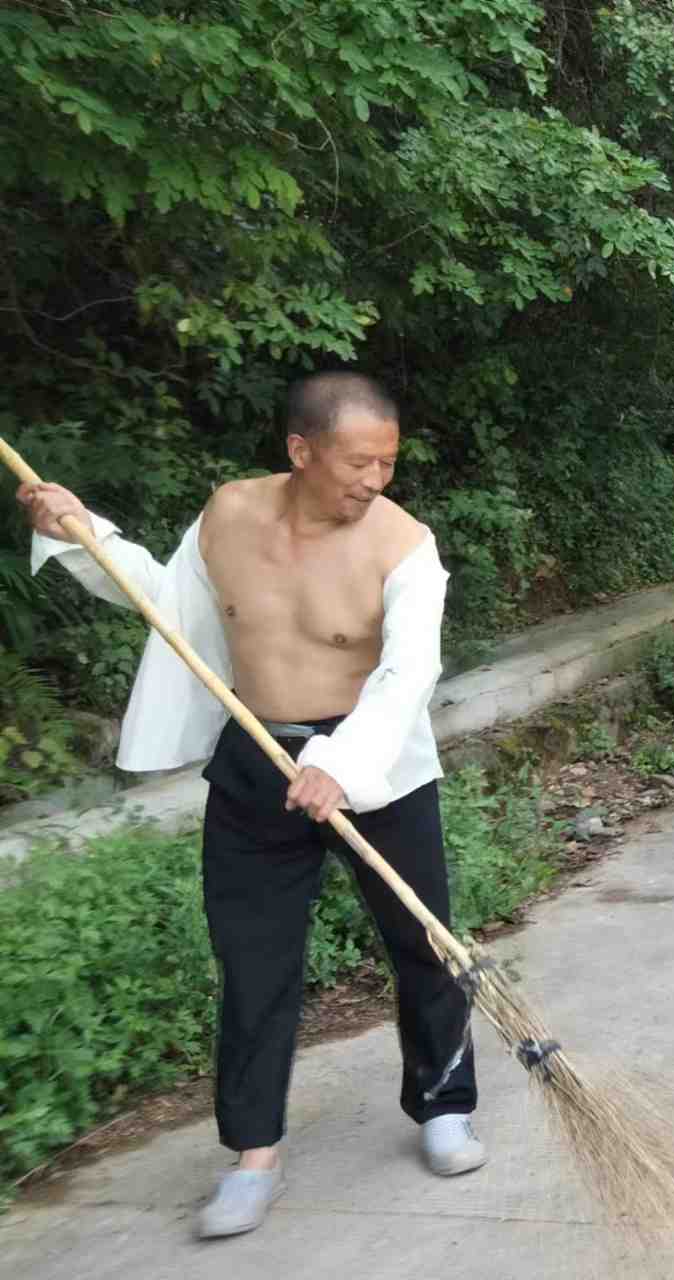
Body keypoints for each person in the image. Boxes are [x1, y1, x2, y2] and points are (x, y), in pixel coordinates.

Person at [16, 372, 484, 1240]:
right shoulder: (229, 515)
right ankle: (254, 1153)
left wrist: (340, 763)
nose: (376, 480)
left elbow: (408, 670)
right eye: (358, 462)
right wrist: (86, 537)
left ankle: (444, 1104)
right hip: (256, 757)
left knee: (425, 941)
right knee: (254, 961)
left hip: (376, 763)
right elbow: (170, 605)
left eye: (387, 462)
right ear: (301, 451)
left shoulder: (403, 545)